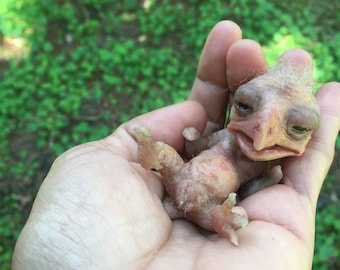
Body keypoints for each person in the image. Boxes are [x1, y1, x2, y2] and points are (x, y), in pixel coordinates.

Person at [12, 20, 340, 270]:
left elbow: (255, 187)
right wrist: (193, 143)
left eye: (297, 127)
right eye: (244, 106)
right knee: (167, 156)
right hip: (177, 181)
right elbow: (205, 150)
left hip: (206, 210)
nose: (260, 133)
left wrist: (237, 203)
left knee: (217, 211)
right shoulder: (227, 138)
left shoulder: (265, 167)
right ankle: (154, 156)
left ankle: (212, 212)